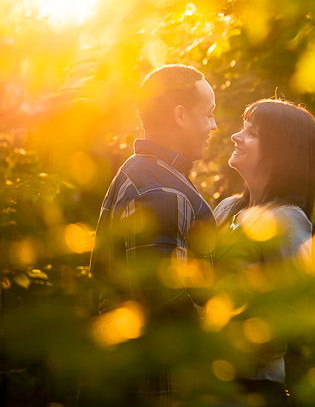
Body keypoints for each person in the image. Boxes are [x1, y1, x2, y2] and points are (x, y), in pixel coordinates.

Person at [88, 64, 218, 405]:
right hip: (157, 386)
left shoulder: (139, 172)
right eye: (208, 115)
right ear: (180, 115)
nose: (213, 126)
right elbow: (166, 297)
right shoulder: (164, 189)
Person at [213, 98, 315, 406]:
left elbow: (291, 316)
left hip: (253, 388)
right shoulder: (225, 209)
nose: (236, 135)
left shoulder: (287, 220)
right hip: (209, 383)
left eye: (251, 132)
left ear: (279, 152)